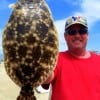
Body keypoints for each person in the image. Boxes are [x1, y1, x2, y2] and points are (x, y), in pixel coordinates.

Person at [42, 16, 100, 100]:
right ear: (65, 36)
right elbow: (46, 79)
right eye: (72, 32)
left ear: (87, 35)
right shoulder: (56, 58)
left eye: (82, 31)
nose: (77, 35)